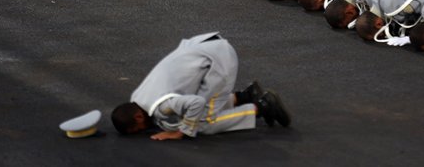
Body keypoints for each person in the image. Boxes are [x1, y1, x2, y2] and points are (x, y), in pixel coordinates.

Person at [111, 32, 290, 140]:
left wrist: (182, 131)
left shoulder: (161, 108)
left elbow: (195, 103)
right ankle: (243, 96)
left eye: (138, 130)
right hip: (205, 48)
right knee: (193, 110)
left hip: (218, 61)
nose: (144, 131)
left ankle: (262, 106)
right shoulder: (138, 97)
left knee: (202, 124)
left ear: (138, 117)